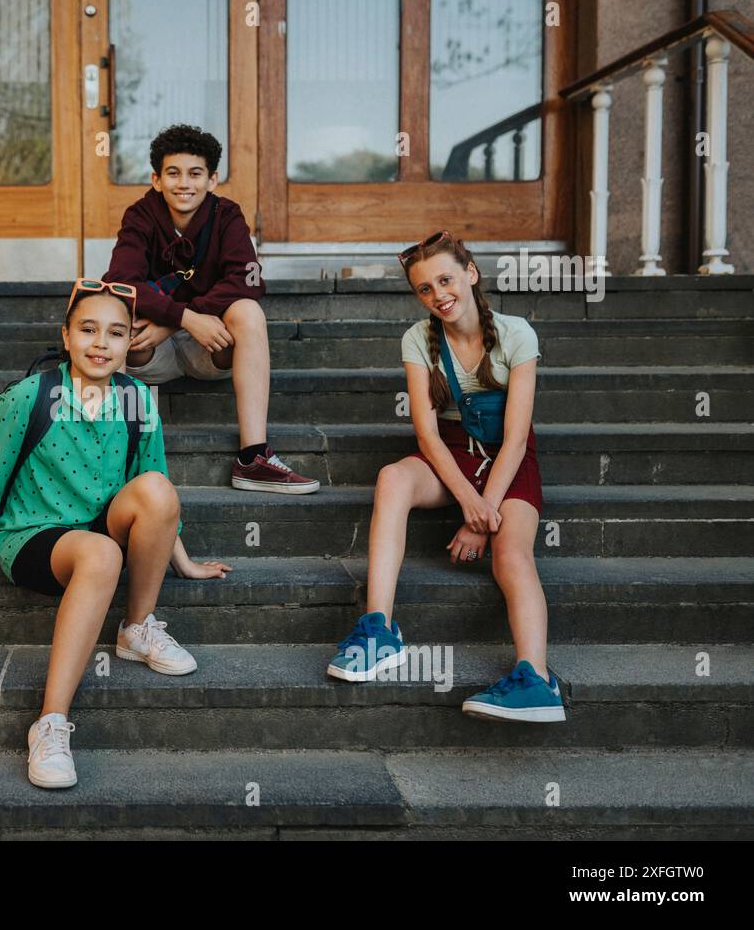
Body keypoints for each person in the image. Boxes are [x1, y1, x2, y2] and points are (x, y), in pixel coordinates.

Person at [0, 279, 233, 788]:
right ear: (66, 336)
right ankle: (49, 724)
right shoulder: (30, 396)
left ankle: (137, 627)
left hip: (101, 529)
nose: (100, 343)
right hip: (34, 536)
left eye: (115, 333)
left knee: (155, 488)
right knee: (101, 555)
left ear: (128, 343)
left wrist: (185, 559)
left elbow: (156, 492)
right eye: (88, 330)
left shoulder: (137, 399)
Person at [325, 231, 564, 723]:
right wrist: (467, 502)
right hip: (452, 452)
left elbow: (516, 442)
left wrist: (481, 519)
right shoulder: (418, 340)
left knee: (511, 552)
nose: (438, 295)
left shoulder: (518, 334)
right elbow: (429, 438)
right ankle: (378, 631)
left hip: (508, 460)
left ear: (471, 274)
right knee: (392, 477)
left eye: (445, 280)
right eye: (425, 289)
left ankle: (534, 679)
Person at [103, 123, 318, 494]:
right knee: (113, 312)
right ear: (156, 179)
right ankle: (108, 454)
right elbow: (120, 282)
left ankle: (253, 458)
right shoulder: (140, 215)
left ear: (212, 179)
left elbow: (249, 281)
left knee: (248, 311)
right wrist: (183, 318)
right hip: (147, 351)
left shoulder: (227, 216)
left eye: (195, 173)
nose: (184, 183)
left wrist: (180, 320)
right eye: (173, 173)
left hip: (209, 348)